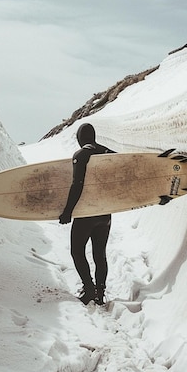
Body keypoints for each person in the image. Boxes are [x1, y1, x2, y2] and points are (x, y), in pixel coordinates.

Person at [59, 123, 115, 305]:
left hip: (86, 214)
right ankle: (100, 292)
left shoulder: (81, 155)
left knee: (77, 251)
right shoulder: (110, 153)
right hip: (105, 213)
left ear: (80, 138)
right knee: (100, 254)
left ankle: (89, 289)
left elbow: (77, 185)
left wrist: (67, 211)